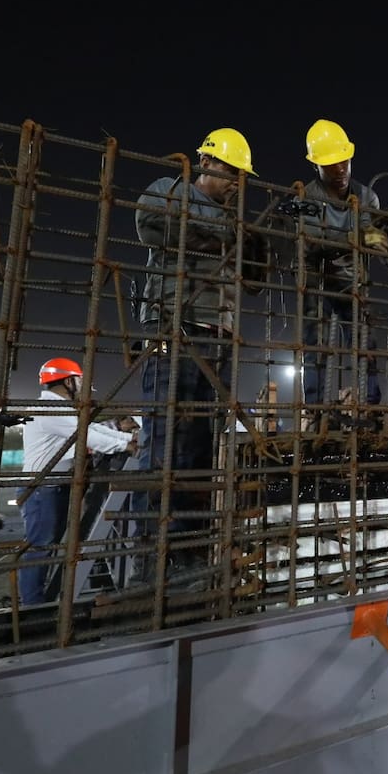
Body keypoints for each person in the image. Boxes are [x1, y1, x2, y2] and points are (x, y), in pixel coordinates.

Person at [132, 127, 259, 581]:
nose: (236, 184)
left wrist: (233, 239)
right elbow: (153, 228)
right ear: (207, 163)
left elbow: (256, 273)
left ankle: (189, 551)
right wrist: (223, 239)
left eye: (242, 178)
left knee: (203, 447)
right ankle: (154, 555)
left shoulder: (236, 219)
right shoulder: (170, 191)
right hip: (174, 325)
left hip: (217, 335)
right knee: (168, 441)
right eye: (232, 173)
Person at [19, 357, 137, 606]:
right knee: (41, 547)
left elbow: (92, 427)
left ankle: (37, 600)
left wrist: (124, 437)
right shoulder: (50, 409)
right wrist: (125, 445)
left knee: (48, 546)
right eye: (81, 381)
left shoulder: (61, 409)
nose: (84, 387)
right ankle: (32, 605)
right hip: (44, 488)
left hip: (52, 487)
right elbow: (86, 435)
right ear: (68, 381)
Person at [296, 119, 388, 429]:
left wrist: (379, 235)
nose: (340, 168)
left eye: (344, 160)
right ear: (316, 166)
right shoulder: (306, 198)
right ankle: (318, 411)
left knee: (364, 344)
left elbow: (371, 228)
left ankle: (370, 409)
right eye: (331, 163)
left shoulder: (366, 196)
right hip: (316, 280)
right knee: (317, 344)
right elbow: (312, 242)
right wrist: (358, 238)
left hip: (352, 281)